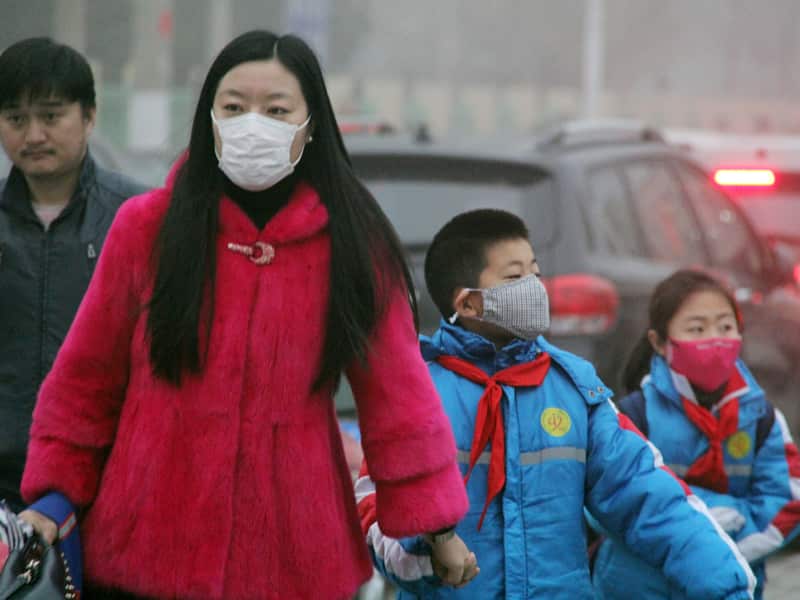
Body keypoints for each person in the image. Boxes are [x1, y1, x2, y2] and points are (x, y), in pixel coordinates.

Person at [16, 30, 471, 599]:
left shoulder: (355, 244)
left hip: (293, 559)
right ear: (209, 118)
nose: (252, 124)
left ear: (310, 124)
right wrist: (54, 497)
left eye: (276, 110)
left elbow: (398, 396)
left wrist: (435, 526)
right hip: (144, 552)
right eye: (233, 107)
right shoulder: (147, 227)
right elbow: (87, 378)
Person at [356, 209, 757, 599]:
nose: (534, 286)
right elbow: (373, 511)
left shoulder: (573, 388)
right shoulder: (419, 393)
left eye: (535, 272)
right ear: (468, 304)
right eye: (515, 277)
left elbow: (646, 494)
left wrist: (727, 586)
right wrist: (429, 551)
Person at [0, 37, 146, 595]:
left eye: (51, 115)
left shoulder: (137, 218)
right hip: (6, 491)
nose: (33, 135)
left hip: (112, 491)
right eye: (16, 118)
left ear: (89, 116)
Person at [592, 269, 800, 600]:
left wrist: (717, 551)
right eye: (697, 329)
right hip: (637, 586)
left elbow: (787, 500)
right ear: (659, 343)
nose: (715, 339)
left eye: (725, 327)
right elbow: (604, 503)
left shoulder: (761, 418)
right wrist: (703, 522)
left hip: (729, 584)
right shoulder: (634, 415)